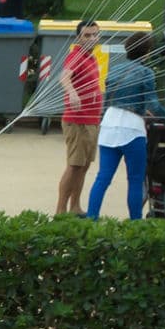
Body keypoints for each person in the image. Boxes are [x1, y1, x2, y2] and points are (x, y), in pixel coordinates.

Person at [88, 32, 165, 220]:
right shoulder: (146, 73)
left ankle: (92, 219)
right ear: (147, 52)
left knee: (103, 178)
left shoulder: (114, 70)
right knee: (135, 179)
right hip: (132, 128)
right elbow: (153, 105)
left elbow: (107, 100)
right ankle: (135, 222)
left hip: (109, 124)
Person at [55, 20, 104, 216]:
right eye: (87, 35)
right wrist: (72, 92)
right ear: (78, 38)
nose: (92, 39)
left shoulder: (90, 57)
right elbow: (64, 77)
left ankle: (75, 207)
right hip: (77, 120)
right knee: (74, 165)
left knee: (83, 166)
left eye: (95, 35)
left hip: (91, 120)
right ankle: (60, 211)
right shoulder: (76, 56)